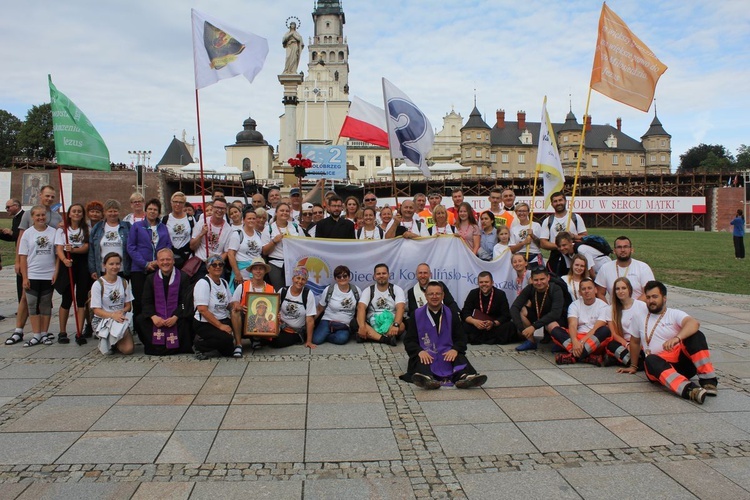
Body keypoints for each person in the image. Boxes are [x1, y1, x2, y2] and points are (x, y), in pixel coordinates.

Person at [617, 280, 718, 405]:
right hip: (658, 366)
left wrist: (677, 338)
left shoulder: (674, 314)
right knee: (650, 359)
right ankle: (690, 390)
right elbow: (635, 342)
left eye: (655, 297)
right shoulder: (639, 316)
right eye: (648, 297)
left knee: (696, 335)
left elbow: (694, 323)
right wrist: (633, 366)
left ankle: (708, 381)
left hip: (682, 364)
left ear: (664, 298)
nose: (650, 301)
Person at [401, 281, 487, 390]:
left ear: (443, 295)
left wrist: (455, 349)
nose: (434, 296)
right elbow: (409, 340)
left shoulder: (452, 314)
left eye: (438, 294)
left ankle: (465, 378)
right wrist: (419, 351)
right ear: (425, 296)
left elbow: (461, 338)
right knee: (422, 361)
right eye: (431, 294)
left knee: (459, 358)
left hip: (447, 353)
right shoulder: (416, 315)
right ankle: (427, 379)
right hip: (426, 353)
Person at [136, 248, 193, 356]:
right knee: (140, 319)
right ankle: (155, 346)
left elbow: (185, 302)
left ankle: (178, 346)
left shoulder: (183, 277)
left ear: (173, 261)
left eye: (168, 259)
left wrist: (176, 316)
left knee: (188, 319)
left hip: (176, 317)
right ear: (157, 262)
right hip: (158, 318)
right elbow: (146, 301)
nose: (165, 262)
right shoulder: (150, 278)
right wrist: (154, 317)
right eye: (162, 260)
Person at [17, 206, 58, 347]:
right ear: (32, 217)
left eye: (43, 215)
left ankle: (45, 333)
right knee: (32, 305)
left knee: (46, 305)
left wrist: (55, 272)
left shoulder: (53, 232)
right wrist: (25, 277)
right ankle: (36, 334)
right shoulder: (28, 234)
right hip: (33, 274)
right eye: (37, 215)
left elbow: (58, 255)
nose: (41, 218)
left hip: (48, 274)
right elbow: (23, 256)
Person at [127, 198, 172, 322]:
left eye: (155, 209)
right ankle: (139, 324)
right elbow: (131, 247)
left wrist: (158, 262)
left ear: (159, 212)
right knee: (140, 298)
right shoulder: (137, 226)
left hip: (158, 268)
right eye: (150, 209)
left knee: (156, 297)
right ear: (145, 211)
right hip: (139, 269)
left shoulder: (163, 228)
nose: (152, 212)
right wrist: (145, 264)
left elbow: (168, 245)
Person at [550, 278, 611, 365]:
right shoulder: (574, 305)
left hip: (594, 339)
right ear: (580, 292)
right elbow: (572, 325)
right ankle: (587, 357)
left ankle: (573, 356)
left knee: (605, 330)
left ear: (595, 290)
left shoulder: (604, 306)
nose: (586, 291)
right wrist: (575, 341)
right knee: (555, 330)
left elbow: (596, 328)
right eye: (583, 289)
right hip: (578, 337)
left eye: (589, 288)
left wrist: (581, 342)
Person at [54, 203, 90, 344]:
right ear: (69, 214)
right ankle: (62, 332)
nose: (76, 214)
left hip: (81, 263)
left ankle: (79, 332)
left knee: (81, 299)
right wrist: (64, 259)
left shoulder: (86, 229)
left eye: (79, 211)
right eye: (74, 211)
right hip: (67, 264)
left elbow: (86, 247)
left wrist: (74, 250)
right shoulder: (63, 230)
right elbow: (59, 248)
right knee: (67, 298)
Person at [90, 252, 135, 355]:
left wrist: (121, 312)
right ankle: (108, 339)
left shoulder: (124, 282)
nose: (115, 267)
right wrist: (112, 315)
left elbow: (128, 305)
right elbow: (96, 309)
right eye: (111, 264)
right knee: (107, 352)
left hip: (120, 318)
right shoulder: (98, 284)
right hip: (103, 319)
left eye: (117, 264)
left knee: (128, 350)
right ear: (104, 265)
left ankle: (116, 341)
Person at [192, 254, 236, 359]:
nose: (218, 267)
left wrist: (237, 305)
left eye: (220, 264)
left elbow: (229, 304)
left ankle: (216, 346)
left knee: (229, 351)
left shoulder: (224, 282)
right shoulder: (203, 283)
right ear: (208, 268)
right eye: (214, 265)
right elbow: (202, 309)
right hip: (205, 322)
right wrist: (221, 326)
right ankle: (199, 345)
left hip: (223, 318)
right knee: (226, 340)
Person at [511, 267, 566, 351]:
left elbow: (555, 313)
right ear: (532, 280)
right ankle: (530, 341)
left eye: (542, 279)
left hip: (555, 319)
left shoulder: (556, 289)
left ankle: (559, 342)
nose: (539, 282)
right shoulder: (530, 288)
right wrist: (522, 329)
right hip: (538, 314)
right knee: (522, 310)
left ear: (548, 278)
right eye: (536, 280)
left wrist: (533, 327)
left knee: (551, 324)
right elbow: (515, 307)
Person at [231, 257, 275, 357]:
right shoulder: (242, 286)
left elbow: (274, 309)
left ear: (265, 271)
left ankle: (256, 338)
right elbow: (232, 303)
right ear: (251, 271)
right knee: (235, 311)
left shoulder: (271, 289)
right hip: (243, 320)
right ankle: (238, 344)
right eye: (255, 268)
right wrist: (238, 306)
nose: (258, 271)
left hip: (262, 324)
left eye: (261, 268)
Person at [262, 266, 317, 349]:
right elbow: (273, 309)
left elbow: (310, 320)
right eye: (297, 278)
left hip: (295, 331)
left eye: (303, 279)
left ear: (306, 281)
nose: (300, 281)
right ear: (292, 278)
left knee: (276, 342)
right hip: (280, 326)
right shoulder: (283, 291)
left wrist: (309, 341)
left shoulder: (308, 294)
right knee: (261, 333)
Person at [357, 263, 406, 345]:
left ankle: (370, 336)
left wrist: (396, 324)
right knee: (357, 322)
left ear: (388, 275)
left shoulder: (396, 289)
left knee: (401, 326)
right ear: (374, 276)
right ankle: (386, 339)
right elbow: (361, 308)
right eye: (378, 274)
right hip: (372, 322)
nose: (381, 276)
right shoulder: (369, 290)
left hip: (390, 323)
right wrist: (362, 327)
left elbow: (400, 308)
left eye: (384, 273)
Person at [461, 271, 517, 345]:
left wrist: (493, 323)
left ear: (492, 283)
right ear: (478, 283)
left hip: (493, 326)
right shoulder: (473, 293)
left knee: (510, 326)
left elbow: (506, 315)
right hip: (477, 325)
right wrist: (475, 322)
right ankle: (489, 339)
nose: (484, 284)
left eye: (486, 282)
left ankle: (479, 339)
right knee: (462, 325)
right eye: (481, 282)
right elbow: (465, 312)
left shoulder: (500, 294)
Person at [604, 277, 648, 368]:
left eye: (624, 288)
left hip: (639, 343)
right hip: (624, 344)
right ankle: (638, 363)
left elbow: (646, 329)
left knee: (643, 352)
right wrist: (627, 345)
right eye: (617, 289)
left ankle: (621, 360)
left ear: (630, 290)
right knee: (611, 345)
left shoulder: (641, 306)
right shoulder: (610, 309)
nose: (620, 291)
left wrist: (636, 346)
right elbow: (614, 334)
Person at [595, 236, 654, 302]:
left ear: (631, 249)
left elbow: (648, 292)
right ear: (614, 251)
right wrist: (607, 309)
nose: (622, 250)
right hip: (615, 311)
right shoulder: (605, 268)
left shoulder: (643, 267)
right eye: (619, 247)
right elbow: (600, 293)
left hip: (638, 310)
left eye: (625, 247)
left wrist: (633, 308)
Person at [313, 265, 361, 345]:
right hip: (328, 321)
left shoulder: (356, 290)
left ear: (349, 277)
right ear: (335, 278)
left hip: (345, 324)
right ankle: (326, 333)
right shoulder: (329, 290)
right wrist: (309, 323)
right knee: (316, 340)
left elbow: (360, 309)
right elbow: (319, 308)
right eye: (339, 276)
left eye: (345, 275)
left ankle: (328, 336)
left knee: (341, 339)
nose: (342, 278)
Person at [261, 202, 305, 289]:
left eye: (287, 211)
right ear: (276, 213)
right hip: (276, 264)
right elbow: (264, 251)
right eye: (282, 210)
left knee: (293, 289)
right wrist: (274, 241)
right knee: (279, 290)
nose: (284, 213)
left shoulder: (296, 227)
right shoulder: (269, 229)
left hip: (294, 264)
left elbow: (304, 245)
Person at [189, 196, 232, 280]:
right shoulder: (202, 222)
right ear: (212, 208)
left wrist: (215, 263)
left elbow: (226, 252)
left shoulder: (229, 229)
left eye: (222, 208)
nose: (219, 210)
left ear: (225, 210)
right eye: (217, 207)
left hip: (217, 266)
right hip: (200, 263)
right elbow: (192, 246)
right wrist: (201, 234)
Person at [88, 199, 131, 280]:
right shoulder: (97, 227)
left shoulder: (127, 227)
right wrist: (92, 269)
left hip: (122, 269)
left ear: (119, 212)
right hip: (103, 270)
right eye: (110, 211)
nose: (113, 214)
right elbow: (92, 251)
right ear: (105, 212)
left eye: (115, 211)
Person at [227, 207, 263, 290]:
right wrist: (237, 273)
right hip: (241, 274)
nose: (251, 220)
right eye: (249, 218)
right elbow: (231, 254)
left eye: (254, 218)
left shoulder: (259, 234)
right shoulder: (237, 234)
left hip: (256, 274)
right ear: (243, 220)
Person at [162, 191, 195, 269]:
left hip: (187, 256)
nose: (177, 204)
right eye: (175, 202)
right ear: (171, 203)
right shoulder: (165, 219)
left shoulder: (190, 219)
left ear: (184, 204)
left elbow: (194, 236)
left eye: (180, 202)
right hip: (170, 257)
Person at [509, 202, 542, 267]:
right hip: (520, 258)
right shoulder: (513, 229)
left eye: (524, 211)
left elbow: (541, 245)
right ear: (516, 213)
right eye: (519, 211)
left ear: (528, 212)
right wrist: (523, 243)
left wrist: (533, 236)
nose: (522, 213)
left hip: (534, 257)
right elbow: (512, 249)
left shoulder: (536, 226)